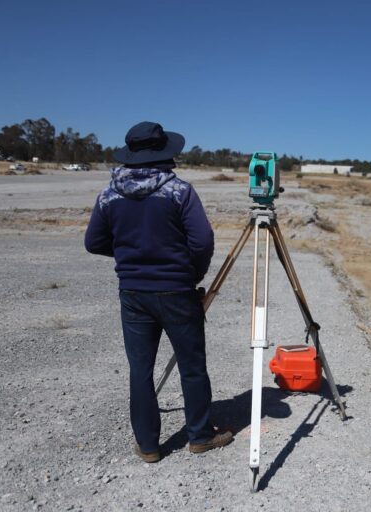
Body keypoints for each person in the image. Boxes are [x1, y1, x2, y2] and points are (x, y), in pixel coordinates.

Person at [85, 121, 232, 463]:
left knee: (141, 369)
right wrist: (189, 270)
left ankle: (149, 446)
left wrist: (130, 253)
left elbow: (93, 242)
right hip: (177, 290)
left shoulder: (108, 194)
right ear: (165, 152)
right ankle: (198, 436)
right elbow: (202, 241)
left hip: (133, 292)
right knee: (192, 366)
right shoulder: (179, 191)